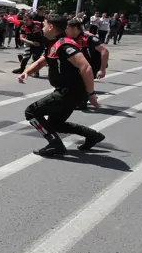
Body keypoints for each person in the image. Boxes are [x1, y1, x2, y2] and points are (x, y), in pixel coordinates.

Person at [19, 14, 105, 157]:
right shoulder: (54, 43)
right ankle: (92, 135)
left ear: (51, 27)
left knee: (31, 112)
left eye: (44, 25)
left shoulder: (65, 44)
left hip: (69, 91)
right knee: (55, 124)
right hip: (69, 91)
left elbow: (86, 67)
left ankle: (55, 145)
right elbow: (41, 61)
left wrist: (91, 94)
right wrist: (26, 72)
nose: (42, 28)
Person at [67, 18, 109, 111]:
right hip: (81, 64)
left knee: (83, 83)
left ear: (75, 29)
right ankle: (83, 97)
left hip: (93, 65)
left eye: (68, 29)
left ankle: (84, 100)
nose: (66, 31)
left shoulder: (88, 38)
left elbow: (105, 51)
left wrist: (102, 70)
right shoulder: (69, 37)